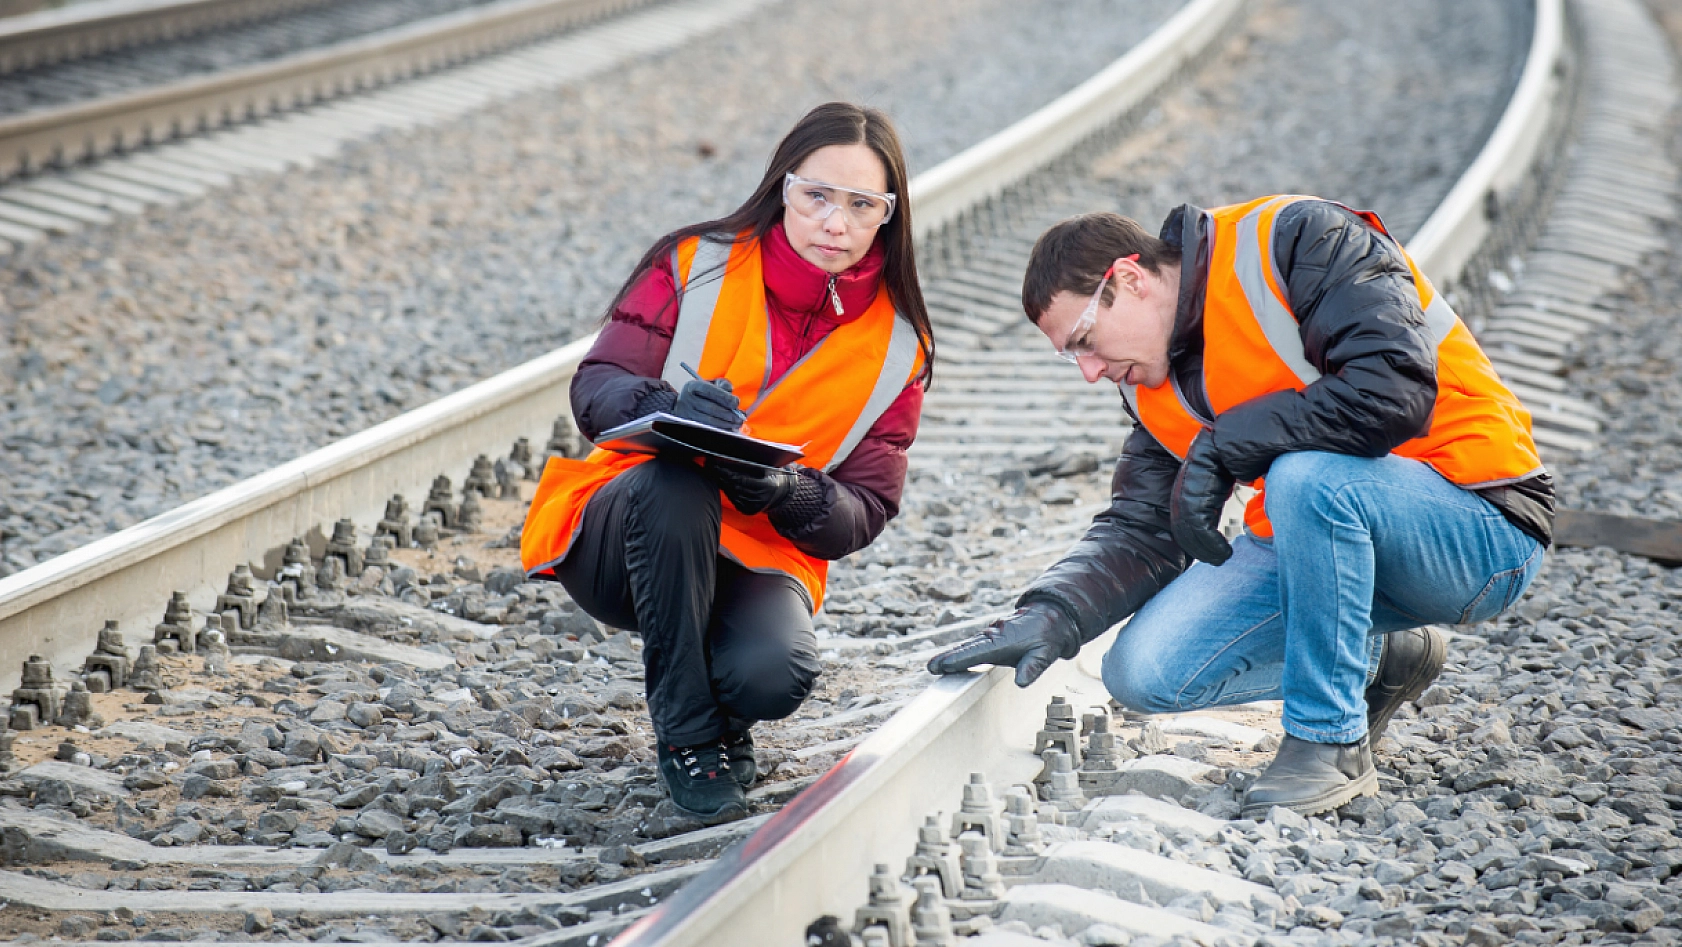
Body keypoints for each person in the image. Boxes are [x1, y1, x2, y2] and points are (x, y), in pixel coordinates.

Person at [929, 195, 1552, 818]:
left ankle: (1329, 743)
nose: (1089, 371)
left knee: (1305, 479)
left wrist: (1229, 443)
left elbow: (1391, 388)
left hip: (1479, 522)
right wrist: (1052, 615)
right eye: (1073, 355)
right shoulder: (1150, 385)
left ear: (1129, 278)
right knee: (1143, 673)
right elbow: (1143, 528)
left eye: (1085, 340)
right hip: (1335, 542)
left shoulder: (1298, 240)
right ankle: (1378, 658)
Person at [521, 103, 935, 824]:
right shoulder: (695, 262)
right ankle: (687, 735)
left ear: (887, 218)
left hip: (757, 554)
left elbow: (865, 507)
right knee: (678, 482)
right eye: (818, 197)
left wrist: (788, 491)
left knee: (774, 674)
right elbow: (597, 385)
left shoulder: (900, 345)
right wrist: (670, 406)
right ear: (784, 188)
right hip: (624, 531)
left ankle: (722, 711)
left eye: (861, 205)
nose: (834, 223)